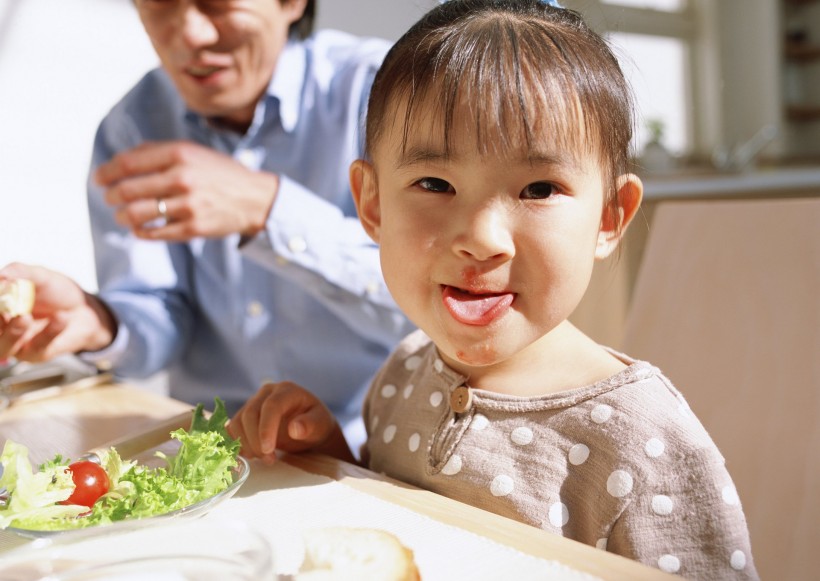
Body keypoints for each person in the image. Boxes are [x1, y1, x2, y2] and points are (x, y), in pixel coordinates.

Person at [227, 1, 760, 579]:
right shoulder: (406, 370)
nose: (482, 240)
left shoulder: (646, 440)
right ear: (373, 204)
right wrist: (328, 454)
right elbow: (403, 527)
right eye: (435, 183)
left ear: (609, 217)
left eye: (538, 188)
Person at [0, 0, 414, 444]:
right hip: (216, 450)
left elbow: (435, 307)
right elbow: (159, 316)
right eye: (159, 4)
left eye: (216, 3)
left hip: (377, 450)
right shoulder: (132, 127)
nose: (190, 34)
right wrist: (100, 320)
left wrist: (266, 209)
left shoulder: (393, 95)